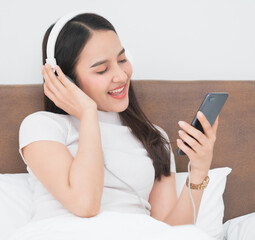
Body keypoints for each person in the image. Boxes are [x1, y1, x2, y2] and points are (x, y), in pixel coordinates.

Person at [16, 12, 219, 237]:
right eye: (102, 70)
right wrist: (88, 114)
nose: (121, 76)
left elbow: (169, 232)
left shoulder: (152, 137)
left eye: (122, 60)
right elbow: (85, 205)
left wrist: (199, 170)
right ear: (64, 78)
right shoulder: (42, 126)